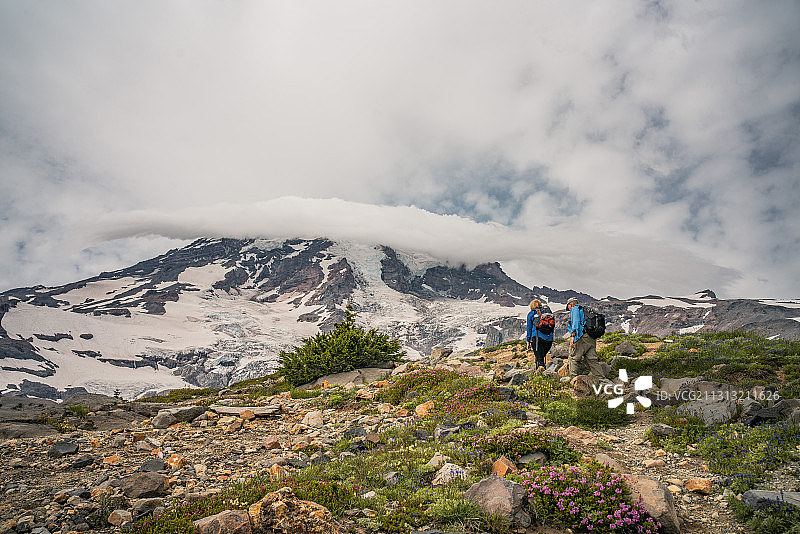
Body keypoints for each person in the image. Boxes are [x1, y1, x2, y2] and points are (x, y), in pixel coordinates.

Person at [565, 297, 605, 377]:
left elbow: (575, 322)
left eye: (568, 307)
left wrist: (573, 336)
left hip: (581, 336)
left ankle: (573, 379)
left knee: (574, 357)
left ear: (571, 304)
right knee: (592, 359)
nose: (569, 309)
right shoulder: (585, 310)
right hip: (591, 337)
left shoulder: (575, 309)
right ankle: (601, 379)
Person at [526, 299, 553, 370]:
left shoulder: (532, 313)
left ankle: (540, 376)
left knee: (539, 359)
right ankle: (544, 373)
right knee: (542, 356)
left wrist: (528, 341)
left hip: (537, 338)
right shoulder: (548, 314)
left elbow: (529, 328)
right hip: (549, 339)